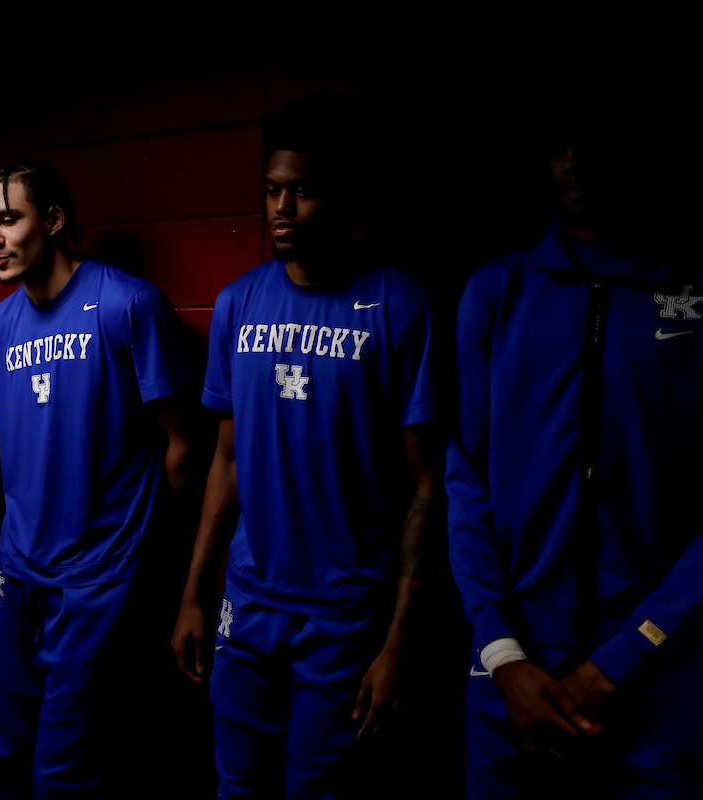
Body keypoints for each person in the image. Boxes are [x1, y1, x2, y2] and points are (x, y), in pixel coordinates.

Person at [446, 112, 703, 799]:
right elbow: (466, 484)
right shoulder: (496, 292)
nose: (573, 163)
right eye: (556, 145)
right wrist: (503, 653)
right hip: (514, 671)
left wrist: (623, 662)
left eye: (593, 141)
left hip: (668, 668)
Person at [171, 97, 437, 798]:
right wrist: (196, 592)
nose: (281, 208)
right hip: (250, 603)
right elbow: (225, 458)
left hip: (346, 614)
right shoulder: (239, 302)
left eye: (303, 189)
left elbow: (425, 486)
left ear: (344, 194)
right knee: (238, 788)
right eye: (271, 190)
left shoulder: (400, 303)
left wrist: (399, 642)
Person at [0, 161, 198, 798]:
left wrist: (141, 561)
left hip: (100, 580)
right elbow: (8, 457)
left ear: (55, 219)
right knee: (1, 760)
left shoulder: (128, 305)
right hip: (16, 576)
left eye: (6, 219)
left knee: (66, 773)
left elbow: (184, 445)